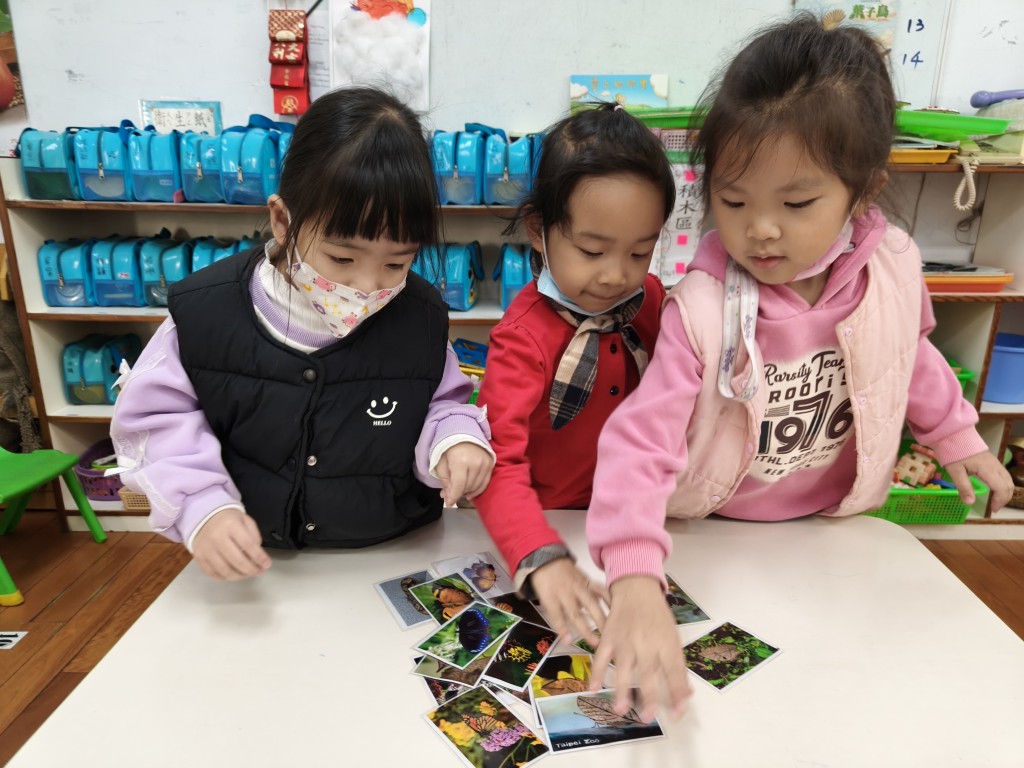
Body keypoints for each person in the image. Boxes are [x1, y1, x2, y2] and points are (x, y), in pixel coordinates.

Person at [585, 15, 1016, 722]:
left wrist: (956, 435)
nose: (760, 229)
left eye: (796, 203)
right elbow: (641, 440)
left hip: (831, 526)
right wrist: (633, 572)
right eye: (733, 201)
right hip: (719, 529)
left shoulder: (891, 268)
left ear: (864, 192)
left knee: (823, 698)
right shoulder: (702, 308)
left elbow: (906, 355)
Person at [110, 86, 495, 580]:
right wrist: (201, 504)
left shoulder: (418, 317)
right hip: (259, 564)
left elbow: (442, 403)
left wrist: (456, 441)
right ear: (282, 221)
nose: (367, 285)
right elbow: (158, 418)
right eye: (342, 258)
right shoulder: (205, 312)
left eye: (396, 263)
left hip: (393, 552)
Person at [472, 103, 675, 643]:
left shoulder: (651, 300)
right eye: (592, 250)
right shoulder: (523, 339)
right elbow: (497, 460)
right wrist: (538, 552)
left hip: (634, 525)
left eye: (640, 251)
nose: (616, 276)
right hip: (550, 524)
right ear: (538, 230)